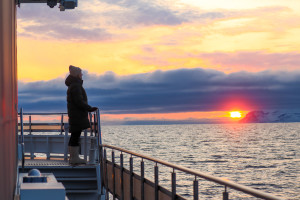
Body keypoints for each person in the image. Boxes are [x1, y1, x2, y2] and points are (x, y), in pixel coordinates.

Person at [65, 65, 97, 165]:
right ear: (77, 75)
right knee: (75, 135)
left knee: (75, 135)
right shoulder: (76, 86)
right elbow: (79, 101)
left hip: (75, 115)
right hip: (77, 115)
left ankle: (74, 157)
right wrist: (89, 108)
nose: (82, 75)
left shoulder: (73, 85)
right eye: (80, 73)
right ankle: (74, 158)